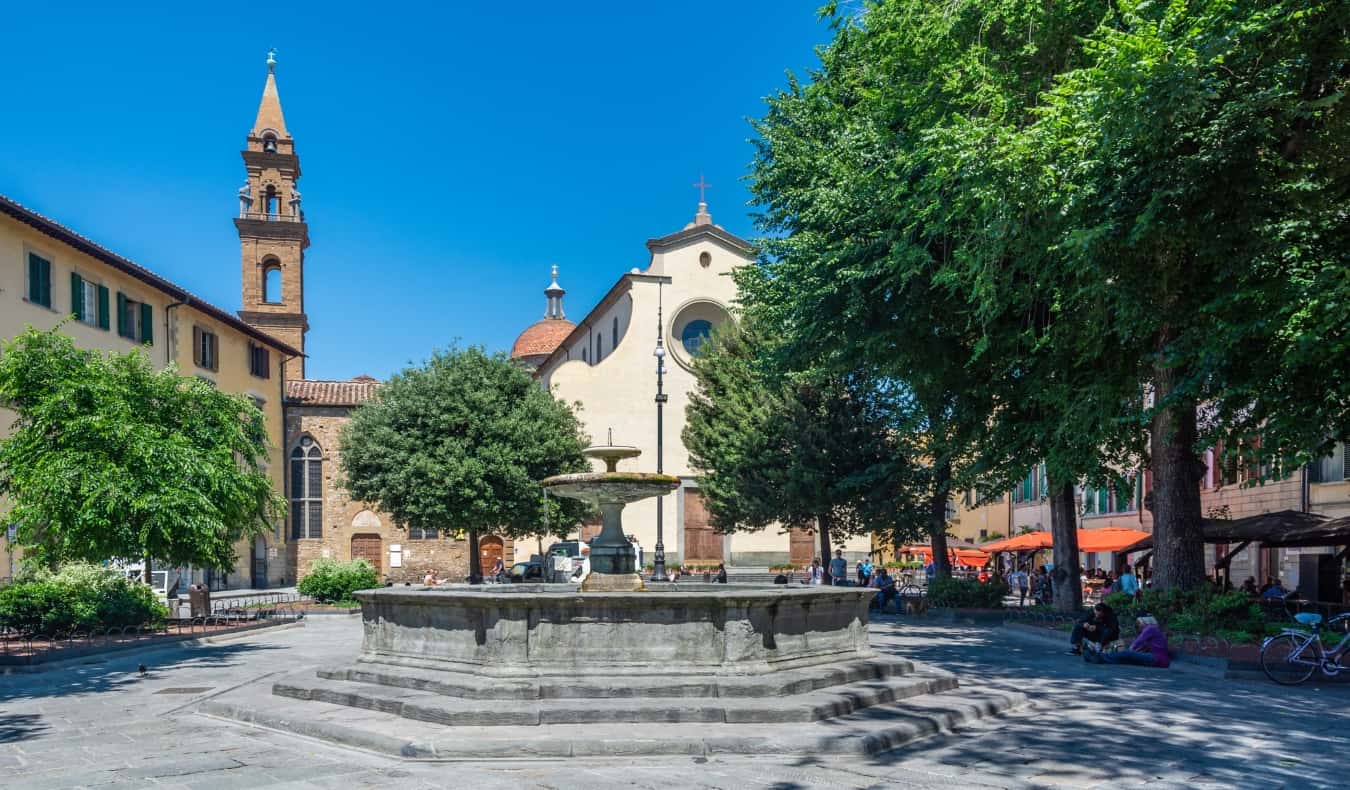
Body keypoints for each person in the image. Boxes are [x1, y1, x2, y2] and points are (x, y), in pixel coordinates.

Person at [1088, 616, 1170, 667]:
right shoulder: (1155, 630)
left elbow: (1138, 641)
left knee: (1126, 654)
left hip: (1157, 659)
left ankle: (1100, 657)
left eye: (1140, 623)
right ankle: (1101, 658)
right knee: (1126, 658)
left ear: (1146, 622)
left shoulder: (1150, 628)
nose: (1139, 626)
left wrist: (1130, 650)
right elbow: (1142, 647)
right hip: (1159, 660)